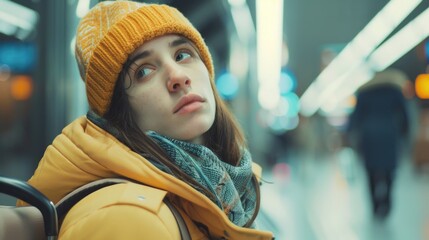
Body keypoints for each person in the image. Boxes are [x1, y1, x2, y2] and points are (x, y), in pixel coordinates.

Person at [17, 1, 274, 239]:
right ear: (120, 113)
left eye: (183, 55)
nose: (178, 76)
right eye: (144, 71)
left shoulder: (218, 191)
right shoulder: (129, 220)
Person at [347, 69, 409, 219]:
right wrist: (404, 132)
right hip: (389, 134)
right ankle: (386, 202)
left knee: (370, 171)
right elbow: (404, 115)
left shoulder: (364, 93)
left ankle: (375, 205)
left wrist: (350, 134)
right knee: (389, 171)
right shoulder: (394, 91)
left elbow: (355, 118)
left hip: (369, 136)